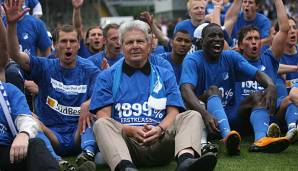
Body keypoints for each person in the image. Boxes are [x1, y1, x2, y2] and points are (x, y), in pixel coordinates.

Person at [90, 20, 218, 171]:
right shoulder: (107, 77)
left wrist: (160, 129)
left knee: (192, 115)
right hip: (127, 145)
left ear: (149, 45)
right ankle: (125, 167)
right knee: (101, 124)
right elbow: (104, 116)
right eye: (130, 42)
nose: (135, 46)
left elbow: (173, 112)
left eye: (140, 41)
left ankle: (185, 162)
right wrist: (130, 130)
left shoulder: (164, 74)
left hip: (161, 141)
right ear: (122, 46)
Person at [4, 1, 99, 170]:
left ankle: (87, 154)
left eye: (72, 41)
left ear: (78, 45)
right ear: (54, 45)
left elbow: (103, 96)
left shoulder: (90, 70)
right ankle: (56, 161)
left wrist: (89, 103)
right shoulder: (45, 66)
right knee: (31, 122)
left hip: (79, 132)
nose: (68, 46)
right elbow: (15, 55)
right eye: (63, 41)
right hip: (51, 134)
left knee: (95, 114)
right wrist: (11, 25)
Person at [180, 23, 289, 155]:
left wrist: (271, 85)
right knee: (213, 90)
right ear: (202, 41)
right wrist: (204, 113)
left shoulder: (231, 57)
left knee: (258, 95)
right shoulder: (192, 59)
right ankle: (227, 139)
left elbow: (257, 74)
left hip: (230, 115)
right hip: (207, 119)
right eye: (212, 36)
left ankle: (260, 140)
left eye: (220, 36)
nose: (217, 39)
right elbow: (186, 90)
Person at [0, 8, 59, 171]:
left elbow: (26, 119)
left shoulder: (8, 91)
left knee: (35, 144)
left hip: (6, 152)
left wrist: (23, 134)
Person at [235, 0, 292, 151]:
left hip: (271, 113)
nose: (254, 42)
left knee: (291, 97)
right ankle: (260, 139)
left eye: (256, 39)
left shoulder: (269, 57)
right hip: (243, 115)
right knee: (258, 96)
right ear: (240, 45)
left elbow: (284, 29)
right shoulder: (234, 61)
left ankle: (292, 130)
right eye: (249, 39)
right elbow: (224, 30)